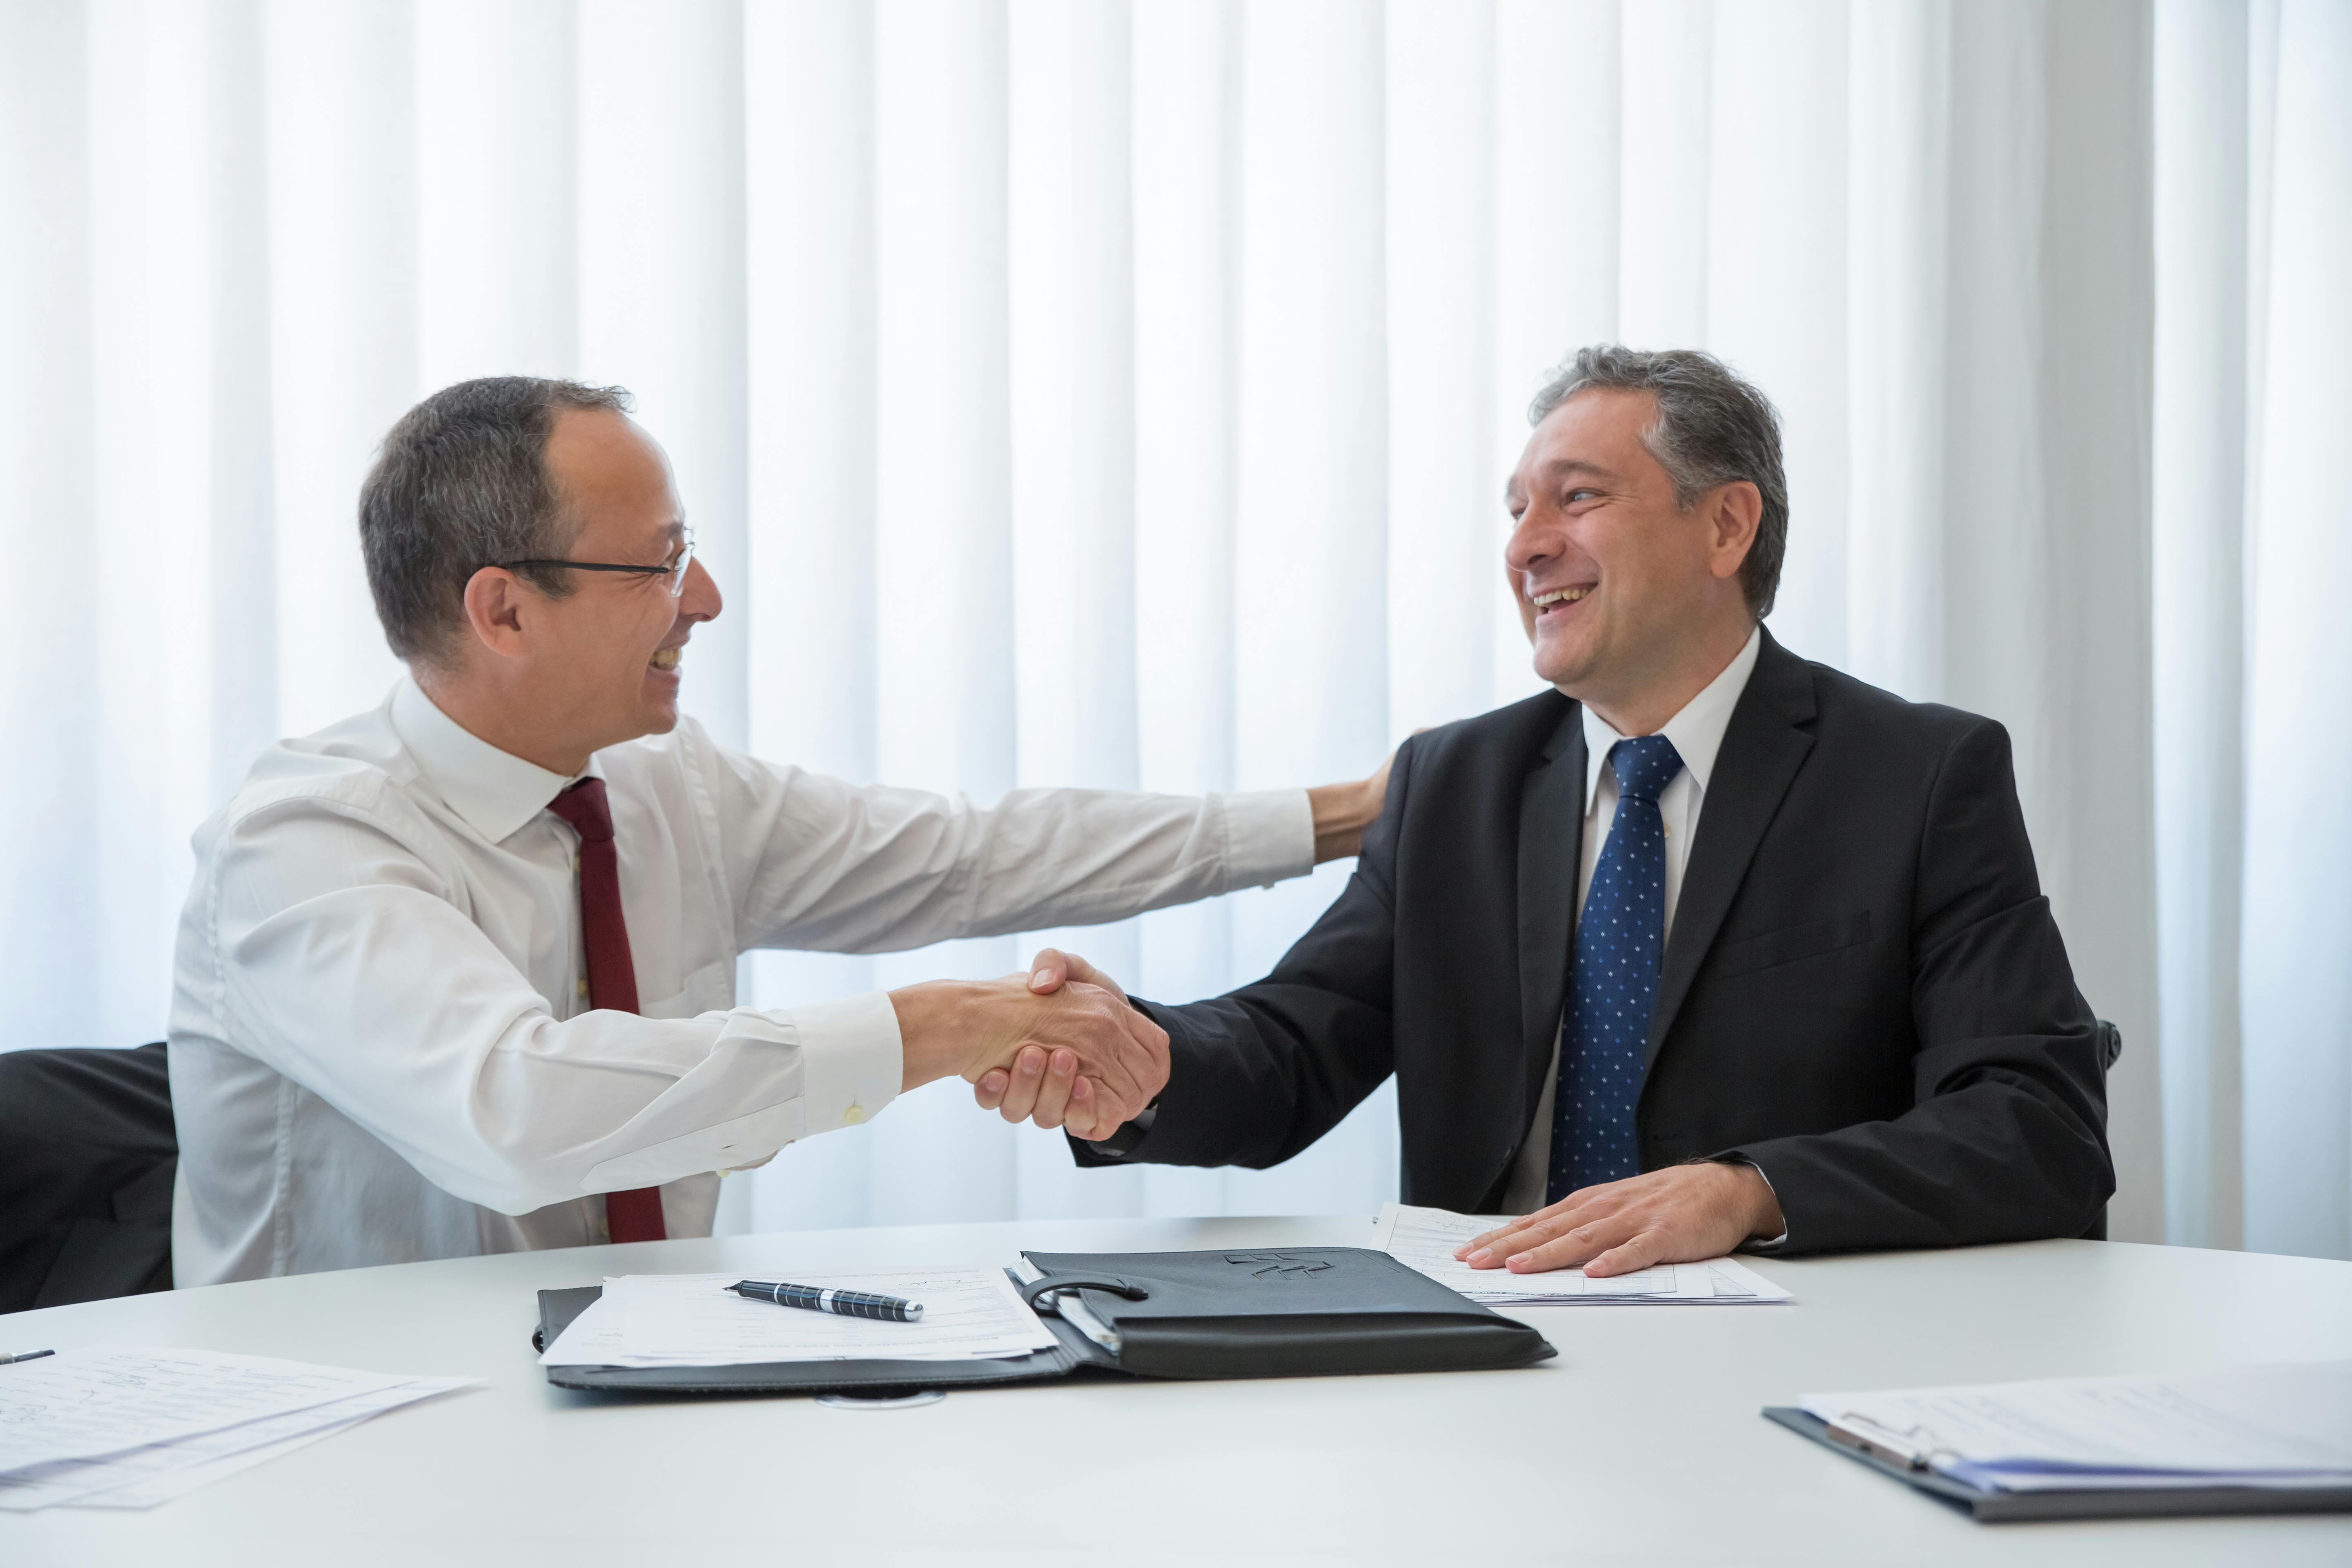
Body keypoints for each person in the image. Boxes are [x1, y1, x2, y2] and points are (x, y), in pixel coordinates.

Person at [168, 377, 1389, 1285]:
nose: (704, 599)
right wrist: (947, 1027)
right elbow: (519, 1112)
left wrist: (1360, 816)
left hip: (641, 1405)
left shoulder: (664, 788)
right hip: (354, 1449)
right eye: (660, 564)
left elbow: (972, 856)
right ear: (504, 610)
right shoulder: (302, 843)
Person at [1000, 345, 2114, 1274]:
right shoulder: (1454, 784)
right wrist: (1139, 1058)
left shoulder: (1916, 774)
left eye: (1577, 498)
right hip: (1491, 1341)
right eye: (1519, 509)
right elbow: (1294, 1046)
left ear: (1727, 527)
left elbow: (2038, 1126)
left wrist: (1750, 1191)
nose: (1527, 546)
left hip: (1787, 1348)